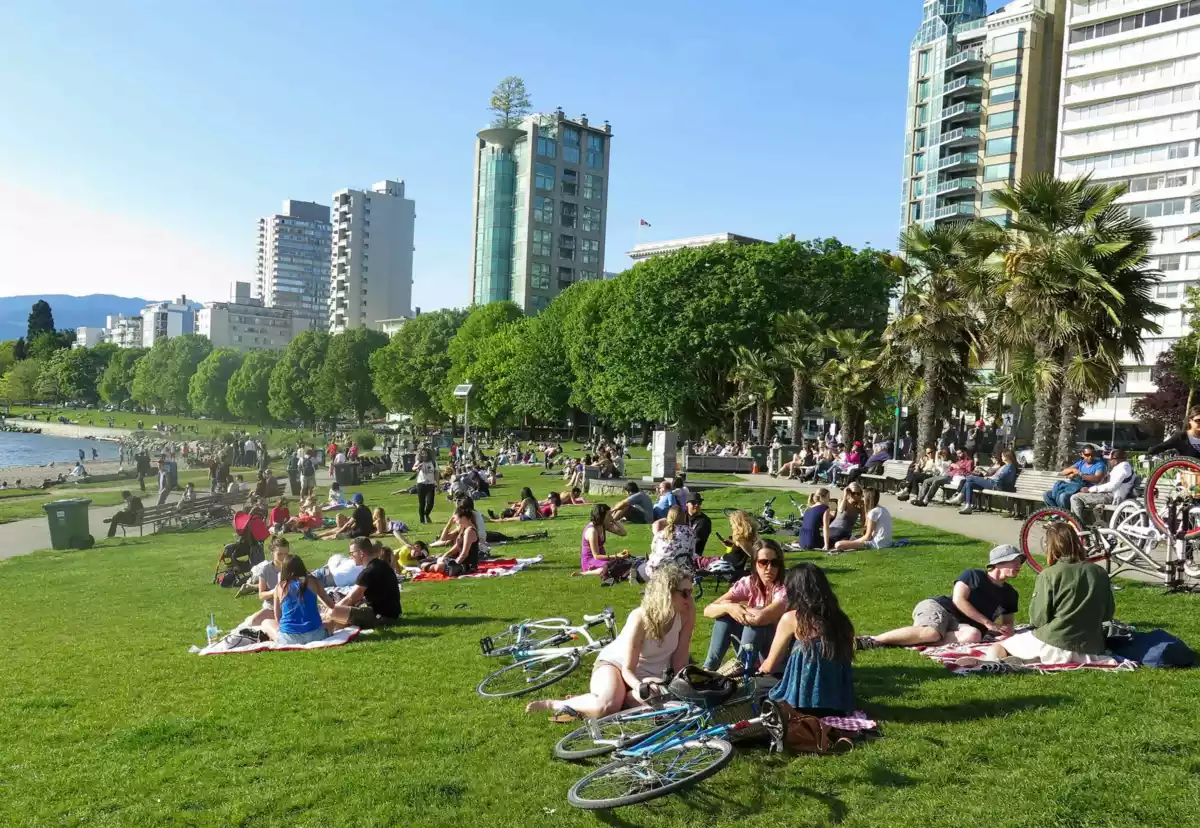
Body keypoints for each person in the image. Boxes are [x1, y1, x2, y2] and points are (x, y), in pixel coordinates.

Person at [524, 564, 696, 721]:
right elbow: (627, 669)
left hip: (651, 675)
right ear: (666, 593)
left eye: (691, 591)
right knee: (607, 708)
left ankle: (612, 698)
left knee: (660, 709)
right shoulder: (641, 617)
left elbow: (680, 657)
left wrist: (681, 684)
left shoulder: (687, 612)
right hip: (616, 665)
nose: (690, 598)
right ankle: (554, 704)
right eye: (685, 593)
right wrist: (640, 686)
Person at [986, 524, 1115, 665]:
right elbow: (1108, 614)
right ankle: (1029, 659)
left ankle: (992, 665)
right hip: (1092, 647)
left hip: (1056, 642)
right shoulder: (1100, 573)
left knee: (1001, 645)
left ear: (1051, 547)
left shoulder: (1049, 574)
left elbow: (1038, 619)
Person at [857, 545, 1023, 649]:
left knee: (974, 636)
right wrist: (987, 623)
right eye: (1014, 561)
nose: (1019, 565)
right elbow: (959, 600)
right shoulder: (974, 575)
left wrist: (1006, 630)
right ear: (998, 563)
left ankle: (906, 640)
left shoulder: (1010, 593)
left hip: (962, 627)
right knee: (932, 633)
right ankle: (872, 640)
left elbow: (1008, 624)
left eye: (1020, 562)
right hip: (941, 609)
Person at [758, 563, 855, 715]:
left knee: (757, 687)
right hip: (838, 703)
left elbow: (770, 665)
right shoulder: (842, 620)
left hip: (802, 703)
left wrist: (757, 671)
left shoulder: (792, 619)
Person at [702, 539, 788, 670]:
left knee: (756, 620)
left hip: (776, 654)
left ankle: (743, 671)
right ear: (754, 564)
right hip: (751, 647)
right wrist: (729, 607)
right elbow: (708, 610)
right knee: (725, 616)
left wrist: (741, 609)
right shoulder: (749, 582)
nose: (769, 568)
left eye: (774, 563)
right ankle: (709, 669)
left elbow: (760, 617)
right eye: (763, 562)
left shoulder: (785, 587)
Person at [326, 537, 402, 628]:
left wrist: (334, 609)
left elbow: (351, 598)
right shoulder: (382, 565)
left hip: (380, 617)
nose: (351, 556)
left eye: (352, 553)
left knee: (333, 612)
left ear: (361, 553)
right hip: (391, 614)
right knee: (337, 616)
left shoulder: (368, 572)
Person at [261, 553, 336, 645]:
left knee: (266, 623)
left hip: (289, 638)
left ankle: (278, 639)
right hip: (315, 635)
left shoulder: (280, 587)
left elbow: (278, 617)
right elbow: (330, 604)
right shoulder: (312, 581)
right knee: (331, 622)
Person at [1070, 448, 1135, 524]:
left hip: (1110, 497)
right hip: (1108, 495)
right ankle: (1080, 524)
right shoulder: (1122, 467)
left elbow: (1112, 486)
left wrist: (1091, 489)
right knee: (1078, 494)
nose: (1109, 462)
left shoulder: (1123, 468)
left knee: (1075, 498)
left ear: (1116, 460)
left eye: (1110, 460)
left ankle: (1077, 526)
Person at [950, 449, 1019, 515]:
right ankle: (968, 506)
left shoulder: (1010, 467)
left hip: (995, 485)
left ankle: (960, 497)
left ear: (1007, 457)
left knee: (970, 477)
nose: (1001, 457)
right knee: (969, 483)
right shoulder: (1005, 466)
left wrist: (989, 477)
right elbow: (998, 477)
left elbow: (1000, 478)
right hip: (992, 482)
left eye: (1002, 456)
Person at [422, 503, 481, 576]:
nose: (455, 521)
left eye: (456, 519)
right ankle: (435, 563)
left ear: (463, 518)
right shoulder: (463, 529)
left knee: (436, 567)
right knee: (426, 562)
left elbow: (464, 553)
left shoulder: (469, 531)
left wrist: (454, 563)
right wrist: (449, 524)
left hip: (466, 566)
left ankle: (434, 564)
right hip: (461, 563)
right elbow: (443, 538)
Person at [1043, 444, 1107, 510]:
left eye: (1092, 454)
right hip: (1075, 487)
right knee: (1047, 494)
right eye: (1087, 455)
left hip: (1087, 490)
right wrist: (1073, 470)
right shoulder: (1081, 463)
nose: (1090, 457)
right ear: (1082, 454)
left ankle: (1066, 516)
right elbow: (1063, 472)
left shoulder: (1099, 464)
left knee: (1063, 496)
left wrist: (1080, 474)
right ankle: (1058, 514)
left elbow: (1097, 478)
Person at [247, 537, 291, 627]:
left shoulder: (292, 566)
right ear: (272, 554)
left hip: (291, 605)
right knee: (253, 622)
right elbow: (261, 595)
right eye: (279, 554)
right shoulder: (265, 570)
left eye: (286, 554)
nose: (283, 558)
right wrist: (274, 592)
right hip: (271, 607)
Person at [577, 503, 629, 575]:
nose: (610, 516)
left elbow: (623, 533)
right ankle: (585, 573)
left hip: (602, 559)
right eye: (608, 515)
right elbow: (596, 556)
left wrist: (613, 520)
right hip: (591, 560)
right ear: (601, 516)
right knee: (611, 567)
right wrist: (617, 556)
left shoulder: (603, 525)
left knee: (623, 563)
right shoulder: (592, 531)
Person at [645, 506, 697, 578]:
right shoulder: (690, 531)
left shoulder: (660, 533)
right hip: (678, 569)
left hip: (655, 569)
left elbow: (653, 549)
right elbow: (691, 552)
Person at [825, 484, 863, 548]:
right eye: (853, 493)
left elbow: (863, 520)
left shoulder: (860, 505)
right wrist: (845, 496)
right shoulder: (843, 500)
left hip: (845, 533)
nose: (856, 495)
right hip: (834, 529)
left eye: (858, 493)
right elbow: (840, 510)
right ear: (848, 493)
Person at [412, 448, 438, 524]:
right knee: (422, 503)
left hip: (430, 484)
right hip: (421, 484)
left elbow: (436, 473)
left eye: (426, 453)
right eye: (423, 453)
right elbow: (413, 468)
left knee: (430, 503)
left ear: (428, 454)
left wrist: (438, 485)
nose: (424, 455)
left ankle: (426, 514)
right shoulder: (419, 461)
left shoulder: (433, 462)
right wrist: (417, 467)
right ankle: (422, 520)